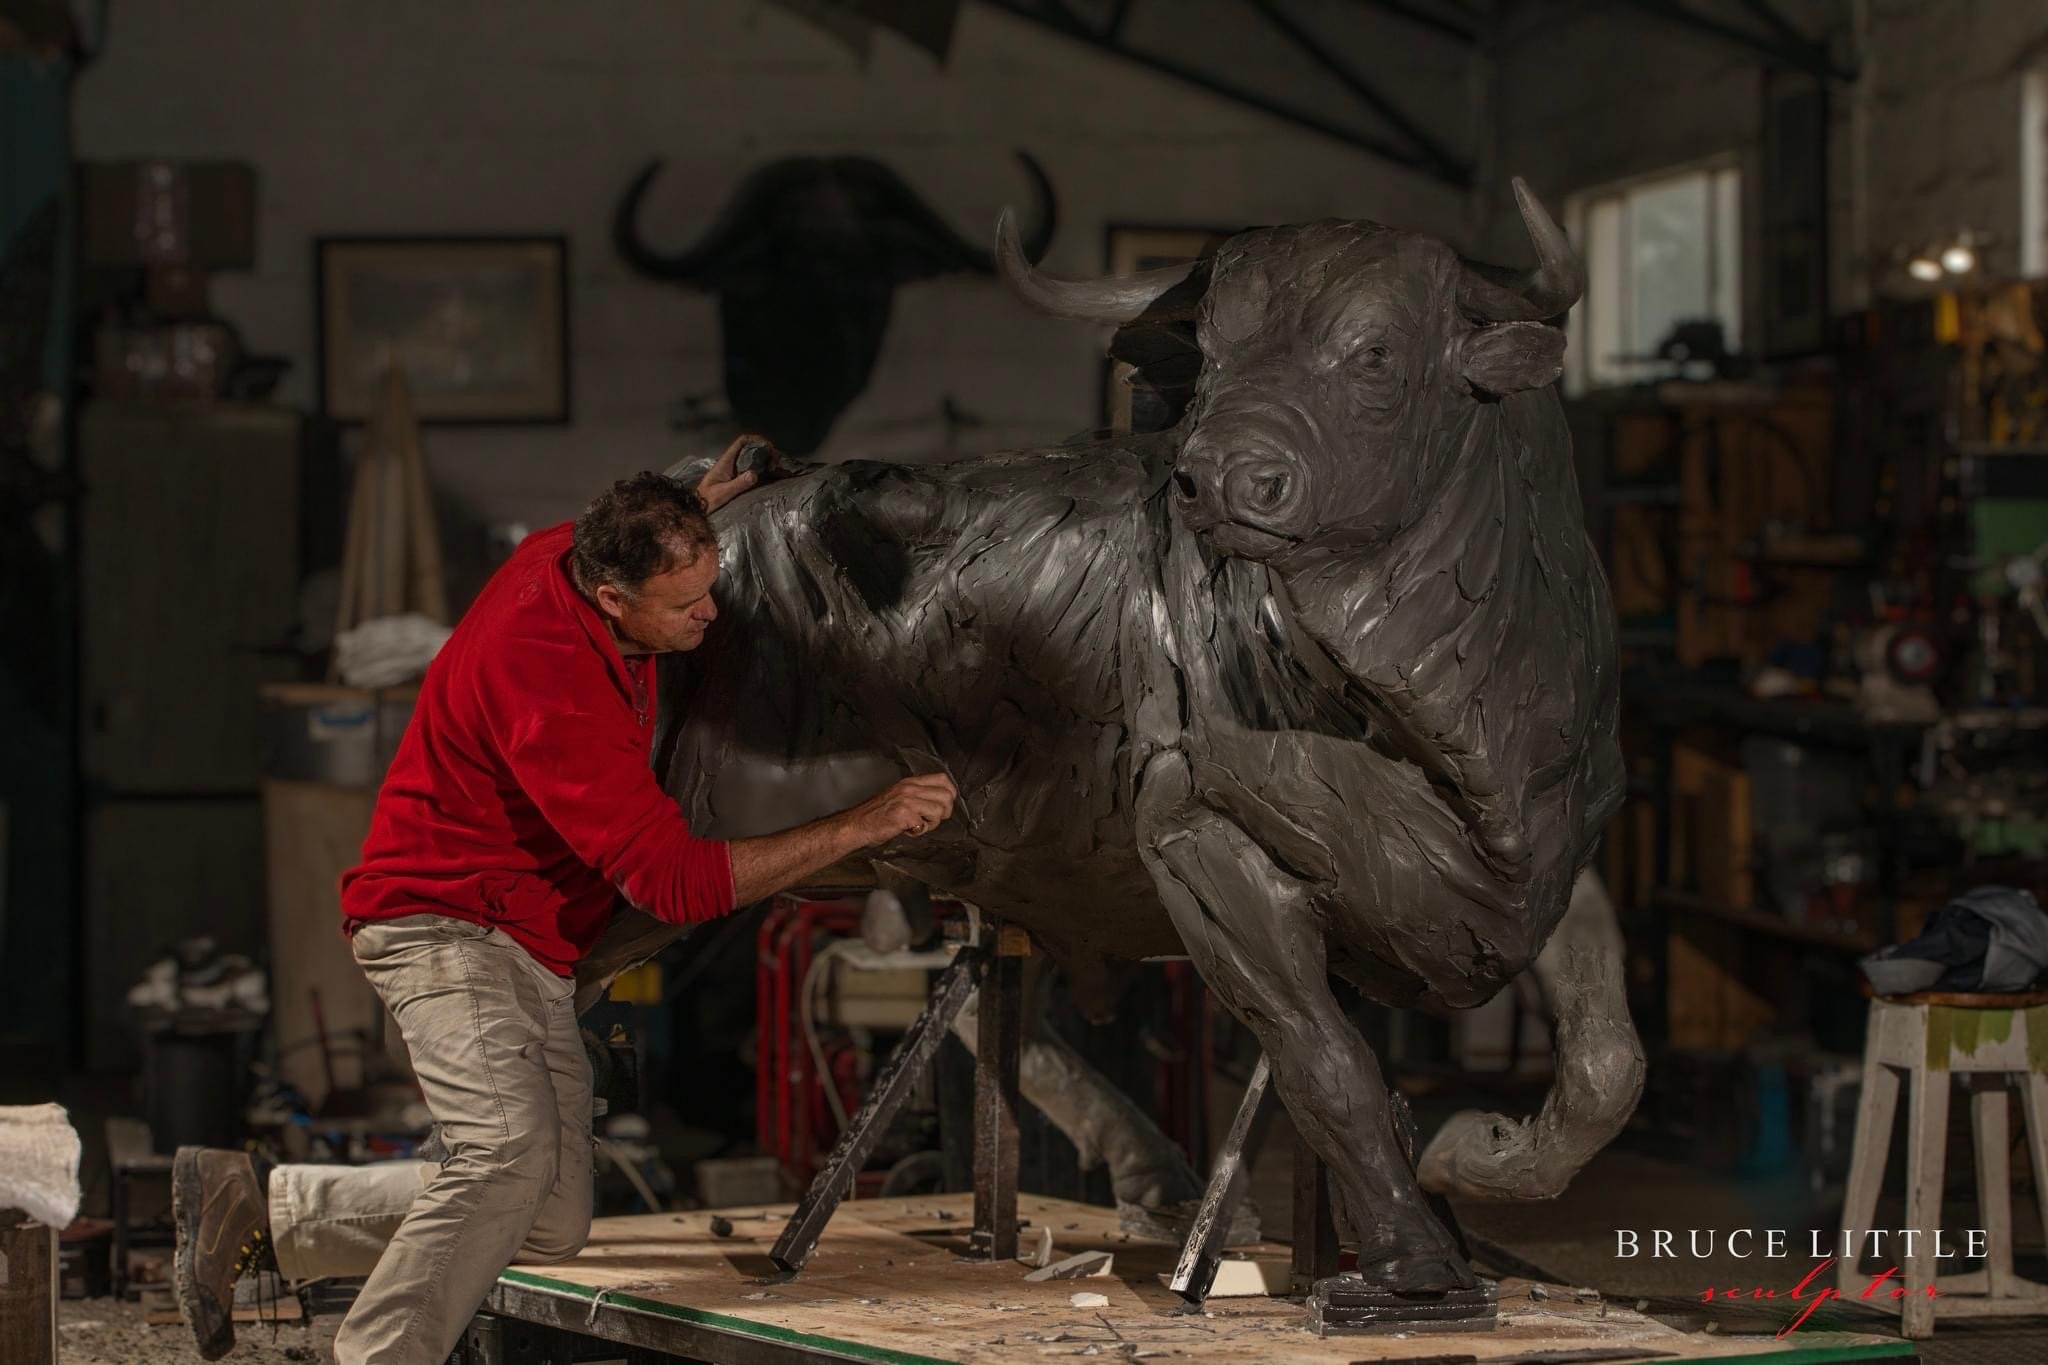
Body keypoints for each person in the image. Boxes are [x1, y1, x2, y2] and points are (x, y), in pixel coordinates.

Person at [169, 437, 957, 1364]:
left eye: (707, 584)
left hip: (524, 935)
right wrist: (863, 823)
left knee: (548, 1217)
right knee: (502, 1160)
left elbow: (625, 522)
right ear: (612, 598)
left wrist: (697, 499)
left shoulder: (575, 550)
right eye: (687, 603)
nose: (710, 613)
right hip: (442, 921)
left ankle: (259, 1205)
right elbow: (675, 881)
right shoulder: (548, 674)